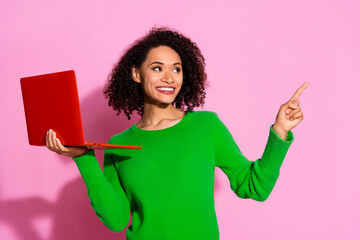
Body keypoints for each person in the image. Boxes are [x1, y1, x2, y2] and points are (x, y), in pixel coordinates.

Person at [46, 26, 309, 240]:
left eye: (176, 69)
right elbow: (116, 221)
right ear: (137, 74)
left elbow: (255, 187)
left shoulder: (206, 126)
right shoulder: (118, 145)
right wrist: (83, 157)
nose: (169, 78)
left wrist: (279, 132)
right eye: (157, 68)